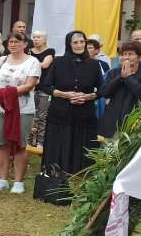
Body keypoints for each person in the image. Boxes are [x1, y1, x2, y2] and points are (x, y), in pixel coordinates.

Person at [40, 31, 102, 174]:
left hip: (84, 114)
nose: (79, 45)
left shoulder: (94, 64)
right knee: (60, 143)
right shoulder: (58, 62)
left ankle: (80, 176)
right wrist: (65, 94)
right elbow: (46, 86)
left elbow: (102, 90)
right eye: (75, 42)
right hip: (60, 113)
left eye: (82, 42)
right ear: (69, 44)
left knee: (82, 146)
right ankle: (55, 174)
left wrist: (87, 97)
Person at [0, 32, 41, 194]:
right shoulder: (1, 60)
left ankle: (18, 181)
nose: (13, 44)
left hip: (22, 110)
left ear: (25, 44)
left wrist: (8, 93)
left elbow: (30, 84)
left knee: (19, 145)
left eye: (17, 42)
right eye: (10, 42)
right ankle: (2, 179)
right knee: (1, 143)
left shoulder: (33, 62)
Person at [99, 40, 141, 138]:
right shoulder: (114, 72)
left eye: (130, 54)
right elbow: (104, 92)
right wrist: (120, 77)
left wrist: (128, 78)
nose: (126, 57)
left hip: (132, 123)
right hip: (111, 122)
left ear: (140, 57)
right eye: (124, 54)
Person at [28, 30, 55, 147]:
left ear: (44, 39)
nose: (35, 39)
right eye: (34, 37)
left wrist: (29, 63)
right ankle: (28, 141)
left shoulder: (50, 51)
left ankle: (40, 142)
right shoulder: (29, 51)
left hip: (45, 87)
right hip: (31, 87)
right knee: (30, 115)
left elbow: (45, 65)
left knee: (42, 116)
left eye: (38, 37)